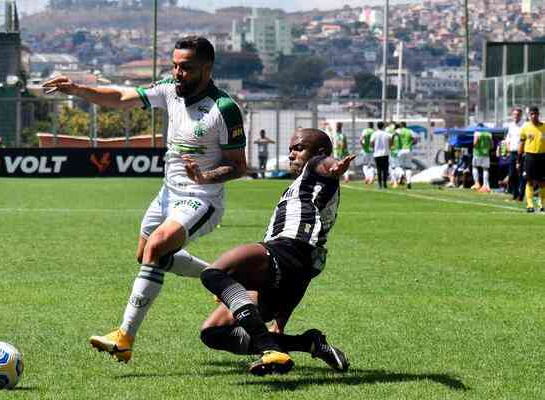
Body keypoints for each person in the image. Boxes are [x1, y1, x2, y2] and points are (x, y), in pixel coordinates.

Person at [43, 36, 247, 362]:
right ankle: (227, 280)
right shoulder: (168, 89)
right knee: (147, 256)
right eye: (175, 65)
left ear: (207, 69)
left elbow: (239, 166)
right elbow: (122, 97)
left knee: (156, 248)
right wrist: (78, 89)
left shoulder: (224, 109)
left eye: (187, 68)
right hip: (168, 194)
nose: (178, 73)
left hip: (202, 198)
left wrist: (204, 177)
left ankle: (124, 338)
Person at [199, 128, 354, 376]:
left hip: (289, 249)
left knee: (212, 274)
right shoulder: (301, 185)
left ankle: (269, 347)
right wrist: (279, 321)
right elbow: (302, 273)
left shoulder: (317, 168)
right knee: (213, 333)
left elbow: (325, 164)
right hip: (293, 268)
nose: (292, 154)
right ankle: (309, 343)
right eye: (291, 148)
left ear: (319, 152)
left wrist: (334, 166)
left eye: (299, 148)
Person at [519, 106, 545, 212]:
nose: (533, 116)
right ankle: (530, 205)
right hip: (529, 156)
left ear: (538, 114)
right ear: (529, 115)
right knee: (529, 181)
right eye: (531, 114)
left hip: (542, 156)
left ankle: (541, 203)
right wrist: (518, 158)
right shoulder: (525, 127)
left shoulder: (544, 127)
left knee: (542, 182)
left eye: (535, 114)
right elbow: (521, 142)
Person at [503, 108, 523, 201]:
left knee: (521, 174)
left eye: (518, 114)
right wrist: (507, 147)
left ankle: (520, 195)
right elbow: (508, 139)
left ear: (521, 115)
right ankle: (515, 193)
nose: (516, 116)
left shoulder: (524, 125)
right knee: (511, 175)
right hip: (512, 153)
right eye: (514, 114)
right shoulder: (510, 126)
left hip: (522, 153)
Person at [397, 122, 418, 189]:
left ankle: (402, 174)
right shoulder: (410, 131)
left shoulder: (398, 131)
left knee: (400, 166)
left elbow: (393, 137)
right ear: (406, 126)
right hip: (408, 150)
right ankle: (408, 182)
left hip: (401, 150)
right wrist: (412, 143)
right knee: (408, 167)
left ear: (401, 125)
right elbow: (416, 139)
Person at [472, 128, 493, 193]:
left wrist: (475, 145)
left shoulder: (477, 132)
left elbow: (475, 143)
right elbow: (492, 145)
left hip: (477, 153)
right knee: (485, 169)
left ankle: (477, 183)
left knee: (474, 167)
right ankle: (485, 186)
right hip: (486, 154)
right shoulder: (489, 134)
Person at [371, 121, 391, 189]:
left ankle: (380, 184)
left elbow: (372, 143)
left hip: (377, 154)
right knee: (385, 169)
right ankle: (385, 183)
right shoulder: (386, 133)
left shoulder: (374, 134)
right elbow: (390, 141)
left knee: (379, 169)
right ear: (383, 126)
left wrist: (374, 148)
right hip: (385, 153)